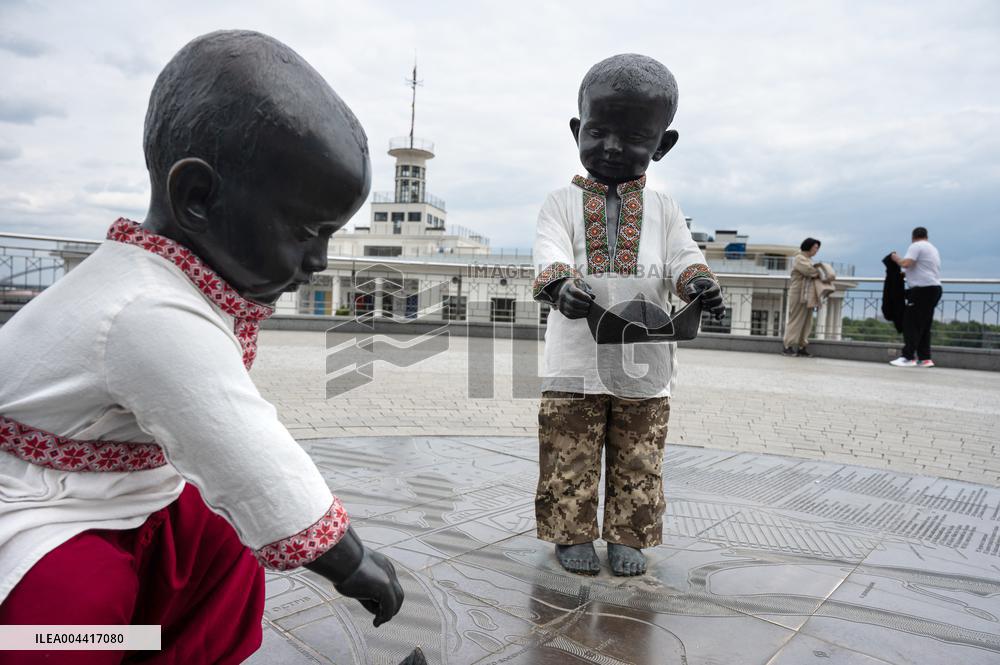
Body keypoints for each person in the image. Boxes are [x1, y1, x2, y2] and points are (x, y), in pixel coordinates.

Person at [0, 31, 403, 663]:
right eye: (307, 231)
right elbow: (246, 451)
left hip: (112, 491)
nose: (319, 261)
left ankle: (156, 649)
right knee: (71, 604)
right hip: (33, 505)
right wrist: (350, 561)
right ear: (197, 198)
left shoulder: (163, 282)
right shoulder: (146, 308)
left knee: (224, 546)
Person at [531, 54, 725, 577]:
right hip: (575, 361)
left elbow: (684, 257)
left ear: (663, 144)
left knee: (639, 454)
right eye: (598, 132)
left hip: (647, 361)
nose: (612, 147)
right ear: (577, 129)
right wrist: (560, 285)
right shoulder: (560, 203)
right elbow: (549, 250)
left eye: (635, 137)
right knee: (569, 452)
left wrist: (699, 284)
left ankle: (629, 535)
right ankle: (571, 532)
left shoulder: (665, 209)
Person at [890, 226, 942, 367]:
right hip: (934, 289)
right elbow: (920, 268)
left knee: (910, 324)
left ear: (913, 237)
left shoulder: (916, 246)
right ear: (927, 236)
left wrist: (895, 258)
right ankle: (925, 358)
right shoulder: (932, 248)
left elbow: (906, 263)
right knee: (923, 325)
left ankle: (908, 357)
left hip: (922, 290)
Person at [782, 238, 823, 357]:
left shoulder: (809, 260)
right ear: (808, 246)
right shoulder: (799, 258)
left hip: (808, 294)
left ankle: (802, 346)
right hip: (798, 293)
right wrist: (821, 272)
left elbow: (815, 272)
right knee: (796, 319)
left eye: (818, 248)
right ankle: (788, 346)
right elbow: (810, 271)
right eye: (815, 247)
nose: (817, 250)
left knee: (807, 321)